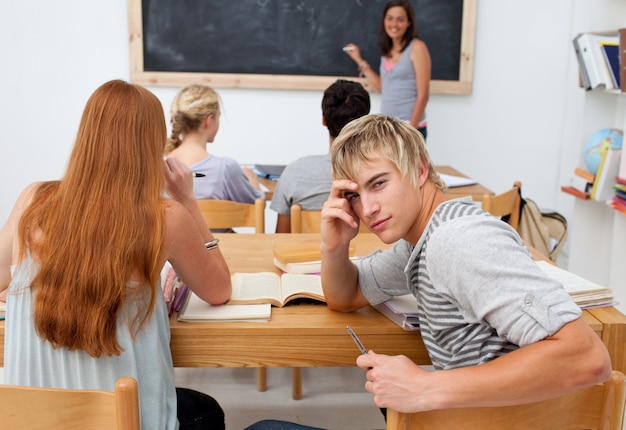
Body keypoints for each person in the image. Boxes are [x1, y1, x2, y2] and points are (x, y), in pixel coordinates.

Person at [319, 114, 612, 413]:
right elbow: (346, 295)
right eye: (354, 195)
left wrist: (424, 388)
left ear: (419, 170)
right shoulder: (419, 241)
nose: (367, 209)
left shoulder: (455, 240)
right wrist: (334, 245)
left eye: (379, 183)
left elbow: (587, 358)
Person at [0, 80, 232, 429]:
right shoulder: (164, 217)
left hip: (30, 420)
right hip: (129, 421)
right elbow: (219, 290)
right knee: (205, 410)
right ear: (151, 145)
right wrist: (188, 203)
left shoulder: (32, 199)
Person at [270, 79, 370, 233]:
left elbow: (281, 237)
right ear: (366, 124)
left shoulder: (295, 172)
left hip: (306, 256)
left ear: (324, 120)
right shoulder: (379, 177)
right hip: (366, 257)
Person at [343, 0, 431, 139]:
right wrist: (359, 60)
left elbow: (423, 96)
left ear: (409, 23)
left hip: (409, 128)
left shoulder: (417, 48)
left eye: (400, 20)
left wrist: (410, 131)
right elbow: (382, 86)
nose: (394, 24)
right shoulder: (387, 50)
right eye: (390, 18)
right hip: (388, 129)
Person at [165, 84, 265, 203]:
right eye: (218, 117)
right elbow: (257, 206)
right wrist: (251, 179)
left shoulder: (156, 167)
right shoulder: (225, 169)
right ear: (208, 121)